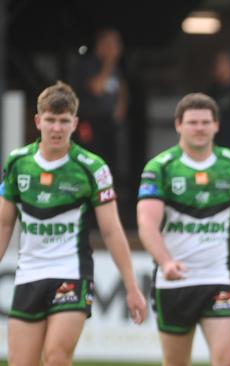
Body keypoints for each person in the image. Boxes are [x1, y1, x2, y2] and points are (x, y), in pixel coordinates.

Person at [0, 81, 146, 365]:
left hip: (71, 273)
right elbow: (4, 224)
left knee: (56, 356)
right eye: (51, 120)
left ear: (75, 123)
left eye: (64, 121)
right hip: (29, 274)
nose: (56, 128)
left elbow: (112, 230)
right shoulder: (18, 163)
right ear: (38, 120)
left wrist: (131, 287)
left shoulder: (91, 167)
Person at [137, 93, 230, 365]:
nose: (199, 128)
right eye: (192, 122)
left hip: (218, 279)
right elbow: (146, 224)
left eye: (205, 122)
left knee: (227, 358)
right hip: (174, 281)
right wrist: (165, 262)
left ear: (216, 125)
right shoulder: (160, 168)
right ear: (178, 125)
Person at [73, 28, 128, 172]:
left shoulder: (115, 68)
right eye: (112, 43)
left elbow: (120, 86)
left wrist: (120, 107)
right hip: (90, 122)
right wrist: (109, 61)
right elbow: (97, 88)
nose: (116, 48)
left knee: (110, 164)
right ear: (101, 44)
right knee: (90, 161)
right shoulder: (89, 64)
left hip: (108, 122)